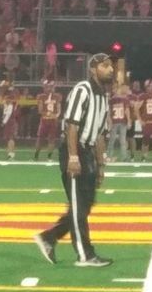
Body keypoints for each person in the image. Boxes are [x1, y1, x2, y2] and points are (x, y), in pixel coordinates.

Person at [33, 52, 115, 267]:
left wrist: (101, 165)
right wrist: (73, 157)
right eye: (105, 66)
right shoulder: (83, 90)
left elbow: (98, 134)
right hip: (75, 150)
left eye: (111, 66)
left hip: (88, 152)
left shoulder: (103, 97)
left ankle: (49, 237)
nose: (111, 69)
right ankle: (85, 255)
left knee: (85, 205)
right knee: (79, 207)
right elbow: (71, 125)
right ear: (93, 69)